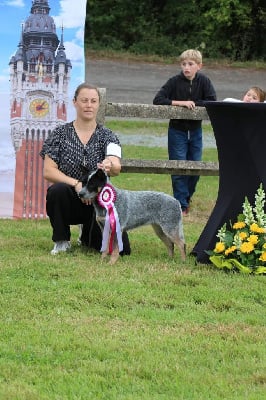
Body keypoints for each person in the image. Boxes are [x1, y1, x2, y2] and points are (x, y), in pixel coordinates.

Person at [40, 82, 131, 255]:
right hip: (70, 196)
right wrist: (76, 184)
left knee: (118, 250)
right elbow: (48, 171)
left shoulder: (108, 135)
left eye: (93, 101)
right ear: (75, 102)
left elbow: (116, 166)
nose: (89, 105)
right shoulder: (59, 134)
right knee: (56, 191)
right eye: (84, 100)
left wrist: (110, 164)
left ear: (98, 104)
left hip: (98, 201)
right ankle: (61, 240)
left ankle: (86, 235)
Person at [153, 49, 217, 215]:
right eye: (183, 64)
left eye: (190, 64)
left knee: (195, 167)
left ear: (199, 66)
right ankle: (180, 205)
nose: (186, 67)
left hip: (195, 131)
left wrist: (194, 103)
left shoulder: (204, 81)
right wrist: (180, 103)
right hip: (177, 130)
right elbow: (158, 99)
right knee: (178, 166)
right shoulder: (174, 81)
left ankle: (186, 198)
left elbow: (212, 101)